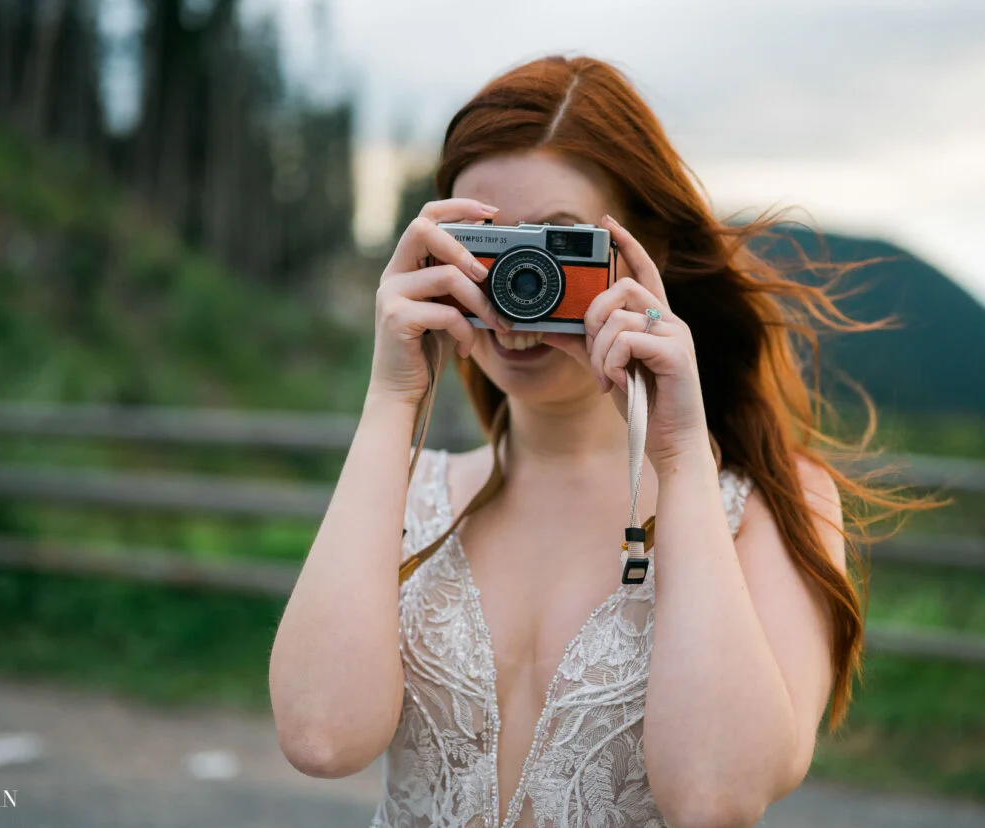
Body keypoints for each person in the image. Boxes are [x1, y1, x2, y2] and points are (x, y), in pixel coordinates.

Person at [270, 54, 925, 828]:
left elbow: (716, 797)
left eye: (556, 246)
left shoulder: (773, 507)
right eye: (488, 246)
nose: (518, 288)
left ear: (645, 255)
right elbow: (320, 736)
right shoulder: (412, 492)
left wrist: (680, 461)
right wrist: (391, 398)